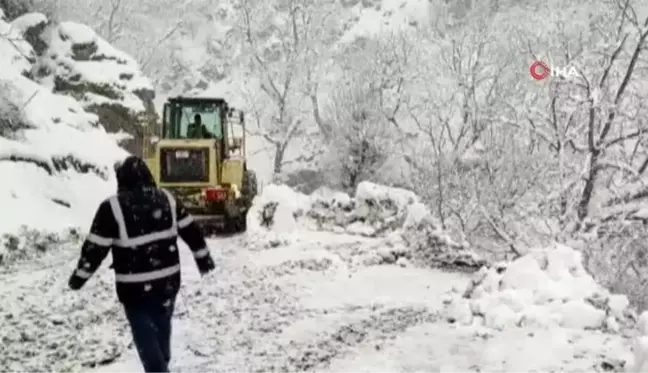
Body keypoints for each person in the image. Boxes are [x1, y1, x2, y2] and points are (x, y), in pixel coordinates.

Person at [67, 155, 215, 373]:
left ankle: (158, 369)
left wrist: (79, 277)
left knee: (145, 337)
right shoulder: (167, 198)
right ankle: (161, 364)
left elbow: (95, 248)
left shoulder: (112, 208)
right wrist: (203, 258)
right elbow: (191, 230)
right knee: (162, 330)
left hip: (135, 290)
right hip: (167, 284)